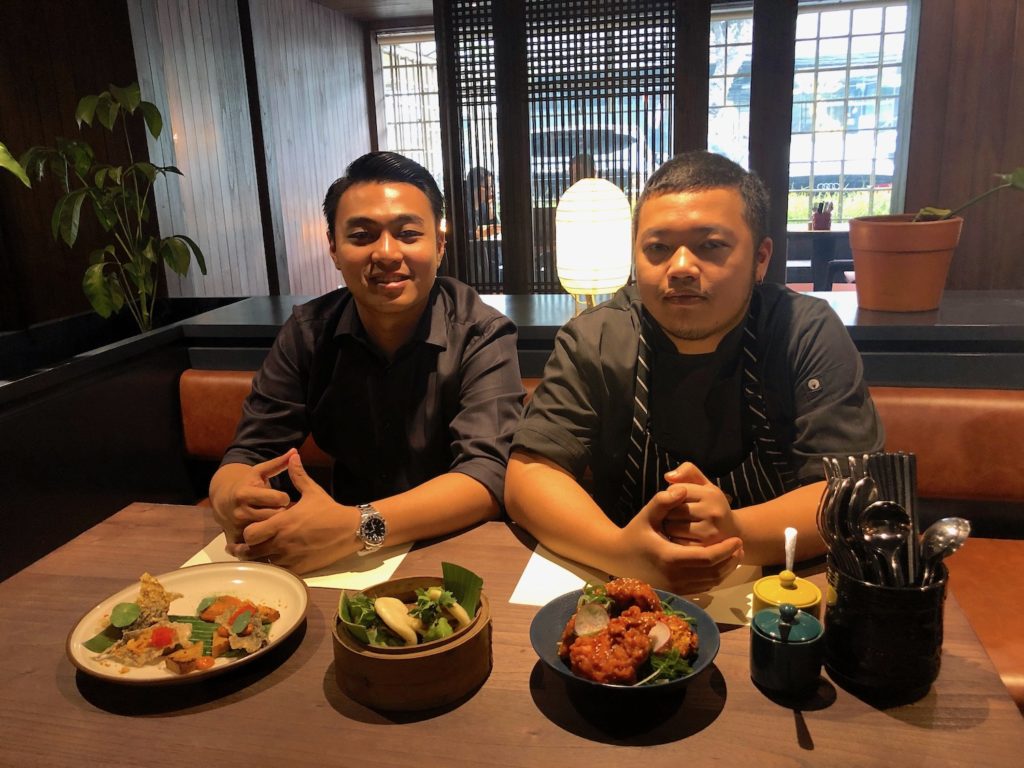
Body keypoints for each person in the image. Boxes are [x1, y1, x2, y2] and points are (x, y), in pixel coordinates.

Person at [505, 150, 883, 594]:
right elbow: (529, 475)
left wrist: (733, 529)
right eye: (658, 248)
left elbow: (850, 490)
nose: (680, 267)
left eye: (710, 245)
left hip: (784, 595)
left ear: (760, 258)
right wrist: (621, 552)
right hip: (628, 592)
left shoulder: (804, 332)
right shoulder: (597, 338)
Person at [210, 151, 525, 574]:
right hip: (335, 556)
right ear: (334, 250)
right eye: (362, 236)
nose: (387, 253)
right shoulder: (308, 331)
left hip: (455, 552)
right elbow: (250, 450)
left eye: (408, 234)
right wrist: (229, 493)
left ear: (440, 245)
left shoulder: (481, 333)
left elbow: (486, 476)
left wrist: (361, 527)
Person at [465, 166, 500, 239]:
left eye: (492, 186)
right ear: (474, 188)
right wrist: (481, 234)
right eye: (487, 186)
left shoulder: (484, 205)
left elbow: (497, 229)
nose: (491, 190)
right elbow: (461, 234)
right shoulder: (463, 207)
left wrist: (490, 207)